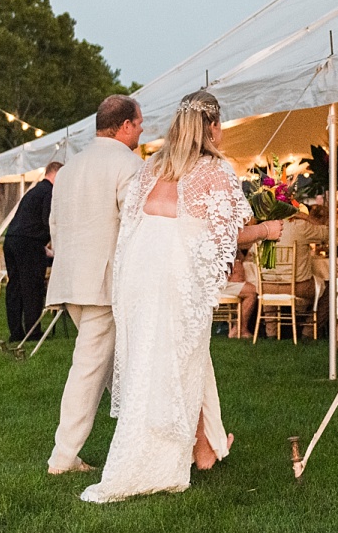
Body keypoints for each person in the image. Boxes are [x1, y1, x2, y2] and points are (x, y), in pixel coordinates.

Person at [80, 90, 273, 503]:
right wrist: (267, 231)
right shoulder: (214, 170)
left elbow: (134, 223)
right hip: (173, 275)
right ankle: (168, 454)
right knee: (179, 358)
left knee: (175, 357)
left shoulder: (152, 166)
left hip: (138, 274)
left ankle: (205, 447)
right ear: (214, 127)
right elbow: (230, 234)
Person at [44, 95, 145, 476]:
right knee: (88, 371)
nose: (141, 130)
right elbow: (134, 227)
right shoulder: (130, 165)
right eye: (138, 124)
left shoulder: (69, 169)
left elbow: (55, 227)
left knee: (110, 371)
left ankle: (140, 437)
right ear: (123, 126)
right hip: (104, 284)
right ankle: (63, 457)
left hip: (71, 279)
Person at [3, 160, 61, 343]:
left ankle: (16, 332)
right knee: (32, 287)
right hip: (29, 244)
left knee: (15, 287)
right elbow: (47, 221)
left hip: (12, 239)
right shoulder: (49, 192)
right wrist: (55, 244)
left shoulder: (33, 191)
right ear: (56, 174)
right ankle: (33, 332)